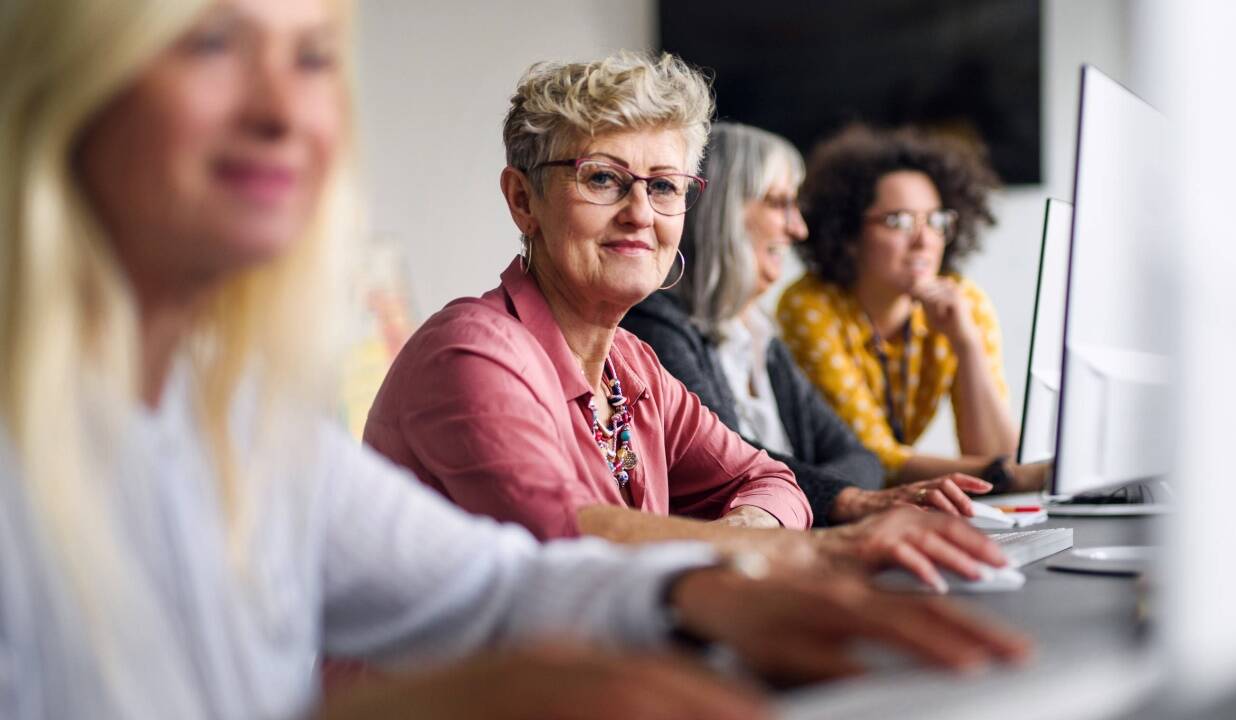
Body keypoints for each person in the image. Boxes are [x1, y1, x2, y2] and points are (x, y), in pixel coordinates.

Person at [0, 2, 1031, 718]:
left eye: (313, 57)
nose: (283, 111)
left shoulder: (229, 417)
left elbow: (494, 586)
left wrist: (710, 585)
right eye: (214, 43)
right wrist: (778, 556)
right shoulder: (467, 350)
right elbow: (551, 540)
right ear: (520, 199)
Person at [365, 52, 1010, 590]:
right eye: (603, 178)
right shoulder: (470, 354)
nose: (641, 212)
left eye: (665, 185)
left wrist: (745, 537)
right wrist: (814, 551)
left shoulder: (631, 364)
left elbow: (770, 478)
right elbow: (571, 539)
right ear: (522, 199)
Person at [621, 122, 994, 527]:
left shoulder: (759, 336)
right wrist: (844, 498)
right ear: (722, 212)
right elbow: (730, 465)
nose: (798, 229)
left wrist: (818, 492)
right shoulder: (656, 325)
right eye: (779, 203)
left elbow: (862, 459)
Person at [778, 124, 1043, 491]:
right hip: (819, 502)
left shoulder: (963, 303)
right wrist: (1021, 475)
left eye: (935, 221)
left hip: (897, 503)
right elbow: (873, 456)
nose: (924, 240)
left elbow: (998, 456)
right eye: (898, 221)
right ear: (849, 234)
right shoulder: (809, 306)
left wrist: (966, 346)